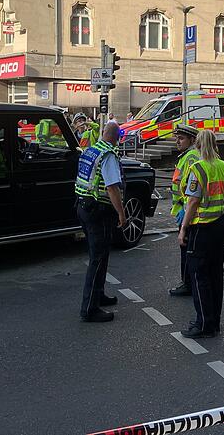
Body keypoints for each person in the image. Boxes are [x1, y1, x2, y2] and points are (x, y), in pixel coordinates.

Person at [178, 129, 224, 338]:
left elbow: (193, 201)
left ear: (199, 146)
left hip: (202, 227)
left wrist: (183, 228)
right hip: (221, 225)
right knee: (215, 274)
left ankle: (203, 323)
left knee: (198, 275)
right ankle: (214, 321)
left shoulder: (198, 168)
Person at [74, 122, 127, 322]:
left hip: (82, 207)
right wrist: (121, 214)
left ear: (103, 133)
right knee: (98, 259)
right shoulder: (109, 155)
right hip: (99, 211)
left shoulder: (91, 150)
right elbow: (112, 188)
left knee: (99, 255)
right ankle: (89, 308)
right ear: (117, 137)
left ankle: (99, 294)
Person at [168, 124, 201, 297]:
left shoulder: (191, 157)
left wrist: (185, 211)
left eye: (181, 138)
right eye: (176, 138)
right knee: (186, 249)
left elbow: (191, 186)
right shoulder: (186, 156)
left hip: (186, 210)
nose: (177, 141)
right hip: (182, 208)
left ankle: (187, 283)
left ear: (192, 140)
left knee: (186, 249)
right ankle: (187, 281)